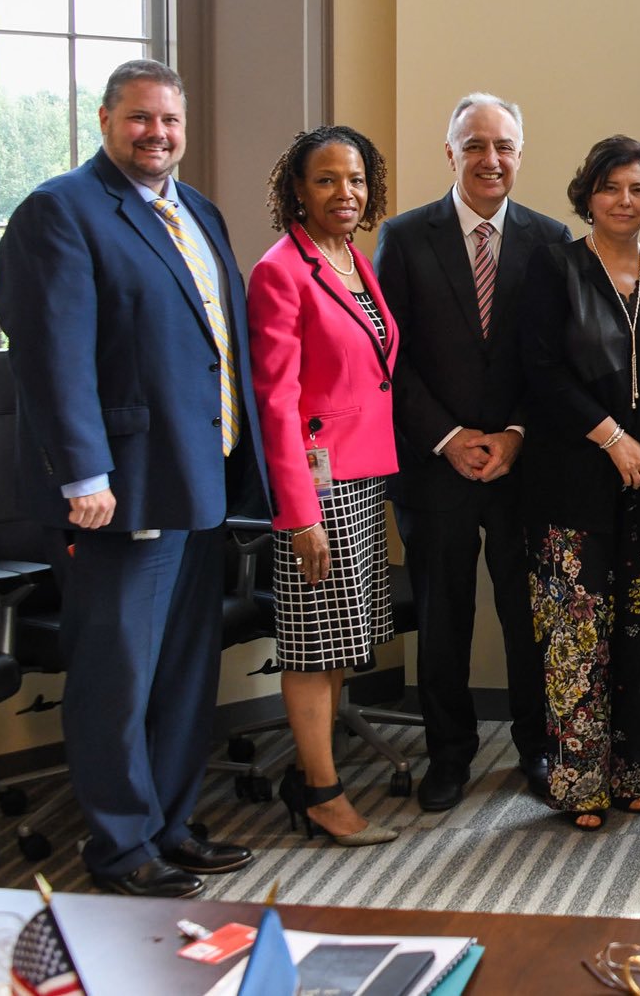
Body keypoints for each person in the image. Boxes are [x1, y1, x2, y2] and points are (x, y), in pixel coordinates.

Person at [0, 60, 266, 896]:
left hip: (199, 481)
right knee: (117, 675)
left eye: (171, 121)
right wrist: (83, 471)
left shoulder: (199, 211)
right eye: (141, 118)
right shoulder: (61, 212)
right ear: (106, 118)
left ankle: (170, 825)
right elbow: (53, 357)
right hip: (122, 490)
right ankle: (117, 847)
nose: (158, 134)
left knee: (185, 669)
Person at [374, 94, 571, 813]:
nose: (492, 159)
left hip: (524, 466)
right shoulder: (403, 237)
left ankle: (535, 749)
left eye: (505, 146)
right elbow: (387, 358)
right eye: (476, 144)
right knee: (444, 617)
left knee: (529, 619)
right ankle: (448, 756)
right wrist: (450, 437)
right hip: (435, 466)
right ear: (449, 152)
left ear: (520, 154)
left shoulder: (551, 240)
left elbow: (553, 359)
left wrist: (515, 434)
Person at [517, 136, 640, 831]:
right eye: (612, 186)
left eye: (639, 189)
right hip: (572, 483)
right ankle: (579, 780)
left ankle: (637, 771)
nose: (625, 200)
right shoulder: (553, 267)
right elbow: (542, 372)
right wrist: (614, 438)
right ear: (587, 194)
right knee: (577, 640)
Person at [247, 124, 401, 849]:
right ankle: (320, 790)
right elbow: (274, 400)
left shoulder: (350, 259)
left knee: (341, 640)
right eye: (328, 180)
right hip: (317, 487)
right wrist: (299, 514)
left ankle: (312, 775)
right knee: (314, 646)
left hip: (361, 476)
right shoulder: (281, 270)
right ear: (297, 190)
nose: (346, 192)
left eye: (357, 179)